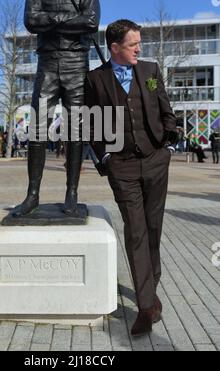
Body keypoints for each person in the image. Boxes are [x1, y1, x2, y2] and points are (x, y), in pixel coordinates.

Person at [85, 19, 177, 336]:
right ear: (114, 48)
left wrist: (170, 143)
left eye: (139, 43)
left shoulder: (150, 71)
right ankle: (146, 306)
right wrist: (105, 158)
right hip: (121, 166)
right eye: (132, 44)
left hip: (155, 160)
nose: (139, 48)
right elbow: (89, 123)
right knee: (135, 231)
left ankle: (151, 283)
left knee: (153, 229)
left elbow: (165, 107)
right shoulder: (95, 79)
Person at [12, 0, 100, 218]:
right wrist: (63, 21)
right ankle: (32, 194)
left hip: (77, 64)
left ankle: (72, 193)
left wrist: (50, 21)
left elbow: (90, 21)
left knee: (76, 133)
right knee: (37, 129)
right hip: (47, 64)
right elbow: (30, 21)